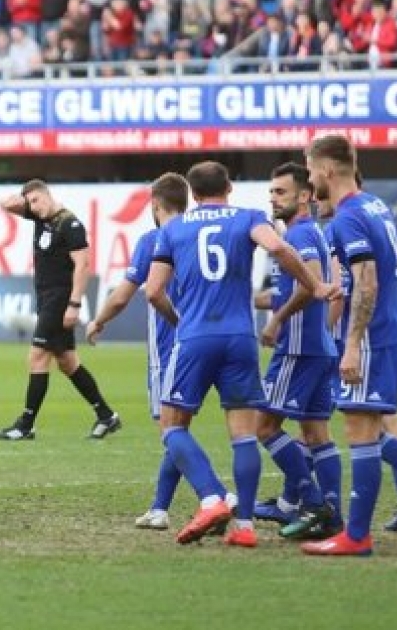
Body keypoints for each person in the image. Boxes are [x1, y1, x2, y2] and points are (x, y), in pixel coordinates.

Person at [143, 161, 339, 548]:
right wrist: (314, 284)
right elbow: (279, 247)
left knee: (173, 426)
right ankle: (245, 527)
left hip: (196, 336)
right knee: (244, 434)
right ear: (229, 187)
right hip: (239, 337)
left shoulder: (173, 229)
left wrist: (180, 320)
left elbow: (152, 291)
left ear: (193, 194)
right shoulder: (248, 217)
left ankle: (212, 498)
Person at [301, 135, 397, 556]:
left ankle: (357, 536)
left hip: (370, 337)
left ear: (328, 171)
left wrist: (352, 343)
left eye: (311, 169)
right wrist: (352, 286)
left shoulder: (347, 217)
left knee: (358, 430)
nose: (310, 178)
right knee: (366, 429)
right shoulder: (378, 206)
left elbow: (368, 279)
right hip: (392, 329)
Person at [88, 172, 236, 531]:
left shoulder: (156, 238)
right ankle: (159, 508)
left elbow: (125, 294)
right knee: (178, 429)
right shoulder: (200, 232)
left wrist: (98, 321)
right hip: (220, 338)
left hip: (172, 349)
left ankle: (217, 494)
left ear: (155, 204)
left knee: (170, 430)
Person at [250, 163, 342, 541]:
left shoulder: (301, 235)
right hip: (319, 346)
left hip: (298, 347)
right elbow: (291, 291)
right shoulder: (309, 232)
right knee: (316, 432)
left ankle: (313, 500)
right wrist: (249, 301)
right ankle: (332, 515)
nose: (273, 198)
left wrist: (276, 322)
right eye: (271, 192)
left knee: (264, 426)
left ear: (304, 196)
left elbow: (311, 285)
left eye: (281, 192)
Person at [0, 179, 121, 441]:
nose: (33, 207)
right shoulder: (40, 217)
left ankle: (25, 424)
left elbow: (83, 265)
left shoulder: (70, 224)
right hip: (46, 298)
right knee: (68, 362)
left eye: (37, 200)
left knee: (37, 357)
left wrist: (74, 304)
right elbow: (4, 204)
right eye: (30, 203)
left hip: (60, 300)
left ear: (48, 195)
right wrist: (25, 199)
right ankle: (107, 416)